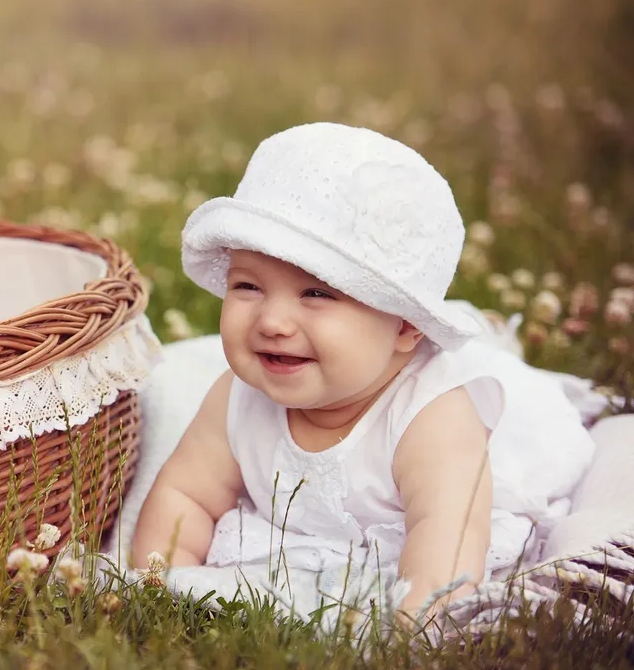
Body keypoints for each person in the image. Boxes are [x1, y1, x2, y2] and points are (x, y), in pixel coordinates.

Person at [129, 122, 596, 620]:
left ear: (404, 328)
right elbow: (186, 496)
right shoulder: (236, 397)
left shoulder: (433, 417)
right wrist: (159, 584)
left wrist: (413, 630)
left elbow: (448, 537)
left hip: (471, 485)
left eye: (317, 294)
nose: (272, 322)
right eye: (248, 287)